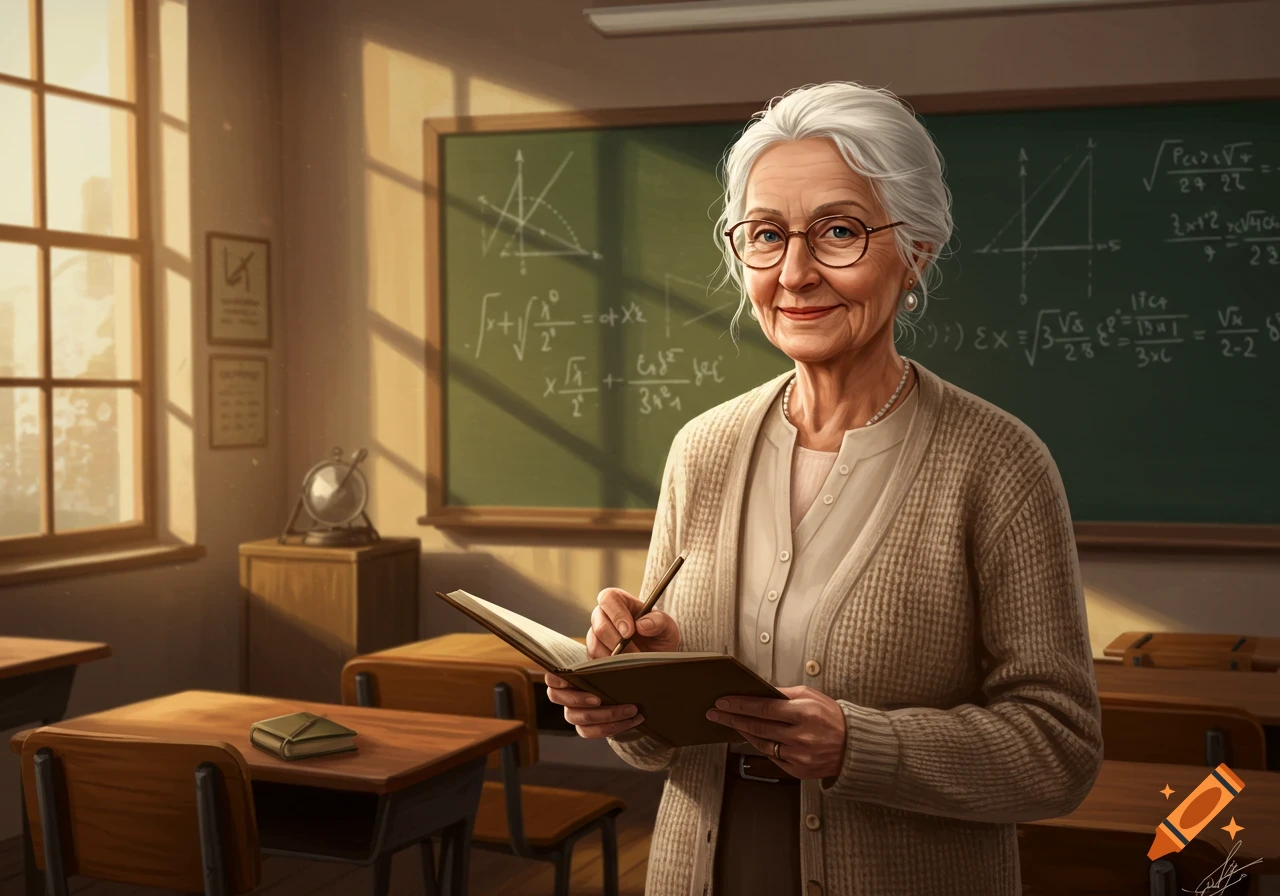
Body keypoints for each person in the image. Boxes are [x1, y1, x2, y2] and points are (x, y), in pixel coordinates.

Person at [545, 81, 1103, 896]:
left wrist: (861, 745)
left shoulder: (1000, 464)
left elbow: (1060, 751)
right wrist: (627, 697)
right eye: (766, 236)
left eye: (838, 232)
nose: (796, 273)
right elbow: (660, 751)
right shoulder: (701, 449)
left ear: (916, 251)